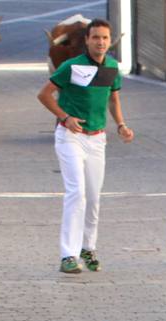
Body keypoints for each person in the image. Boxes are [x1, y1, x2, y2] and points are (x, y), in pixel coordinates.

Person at [35, 19, 133, 275]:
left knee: (93, 197)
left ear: (109, 41)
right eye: (95, 38)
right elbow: (44, 94)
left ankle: (88, 248)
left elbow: (113, 98)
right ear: (87, 40)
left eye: (104, 38)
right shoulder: (71, 66)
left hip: (97, 139)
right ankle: (68, 254)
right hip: (71, 137)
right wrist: (65, 117)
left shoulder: (112, 66)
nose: (100, 42)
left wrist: (121, 125)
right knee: (76, 193)